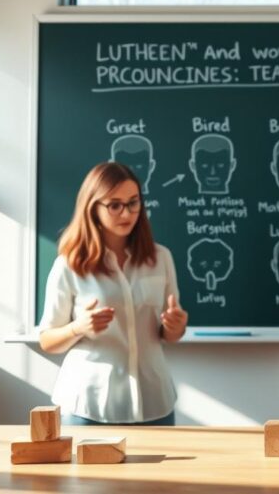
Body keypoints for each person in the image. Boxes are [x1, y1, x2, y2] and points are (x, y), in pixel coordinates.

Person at [38, 162, 188, 426]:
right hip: (88, 404)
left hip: (153, 401)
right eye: (114, 205)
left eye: (133, 202)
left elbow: (169, 335)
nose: (126, 213)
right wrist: (78, 327)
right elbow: (47, 340)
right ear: (92, 208)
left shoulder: (160, 258)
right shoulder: (70, 264)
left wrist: (176, 326)